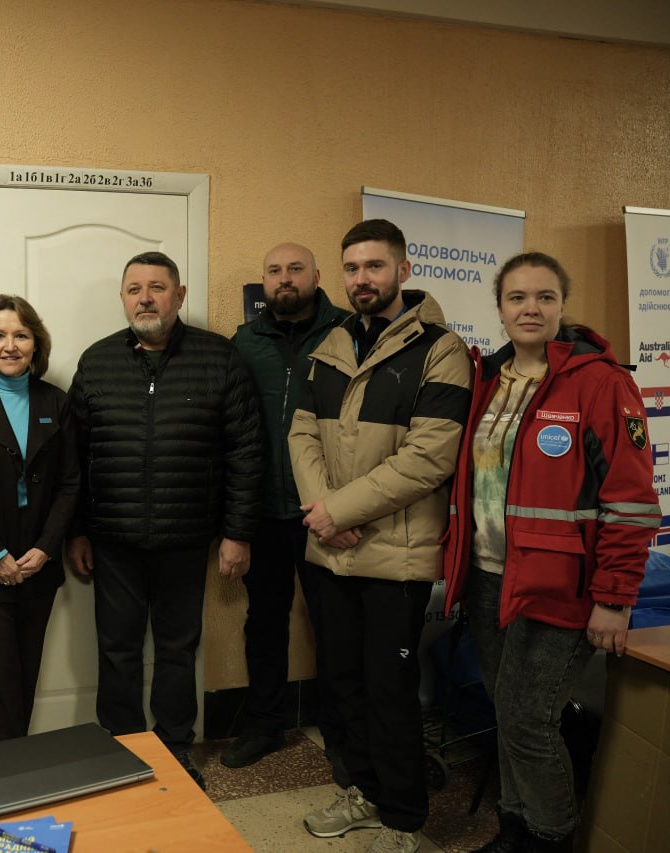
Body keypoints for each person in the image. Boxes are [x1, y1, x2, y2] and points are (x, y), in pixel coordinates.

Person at [442, 253, 659, 853]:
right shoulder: (487, 379)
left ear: (563, 305)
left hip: (562, 582)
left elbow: (632, 502)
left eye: (544, 297)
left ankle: (550, 837)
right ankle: (514, 827)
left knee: (528, 718)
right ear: (500, 308)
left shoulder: (601, 383)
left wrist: (614, 598)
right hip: (489, 575)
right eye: (517, 298)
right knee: (506, 711)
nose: (530, 308)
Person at [288, 219, 472, 853]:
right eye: (352, 268)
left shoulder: (441, 349)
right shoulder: (333, 343)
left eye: (374, 266)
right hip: (329, 549)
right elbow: (302, 432)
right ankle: (363, 793)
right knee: (342, 685)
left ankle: (403, 818)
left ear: (403, 270)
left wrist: (337, 512)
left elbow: (428, 458)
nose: (362, 279)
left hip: (394, 557)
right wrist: (324, 511)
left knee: (388, 691)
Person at [66, 250, 263, 788]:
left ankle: (176, 750)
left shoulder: (219, 359)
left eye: (157, 287)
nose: (146, 298)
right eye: (134, 289)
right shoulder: (96, 362)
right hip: (113, 541)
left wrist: (237, 533)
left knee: (178, 651)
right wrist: (77, 530)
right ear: (123, 298)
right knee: (117, 651)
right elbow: (75, 458)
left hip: (187, 537)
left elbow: (246, 452)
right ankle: (123, 751)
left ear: (179, 295)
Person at [224, 242, 349, 770]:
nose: (284, 279)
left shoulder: (347, 332)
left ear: (317, 276)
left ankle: (344, 738)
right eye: (274, 271)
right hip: (265, 510)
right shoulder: (245, 341)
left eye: (295, 269)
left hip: (328, 510)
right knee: (265, 623)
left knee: (335, 626)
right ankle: (264, 725)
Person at [0, 295, 80, 743]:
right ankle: (1, 774)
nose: (10, 346)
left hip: (37, 569)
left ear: (35, 343)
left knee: (24, 682)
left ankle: (15, 769)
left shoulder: (56, 402)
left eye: (21, 335)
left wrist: (45, 549)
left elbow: (70, 483)